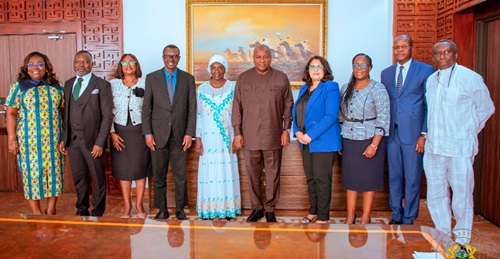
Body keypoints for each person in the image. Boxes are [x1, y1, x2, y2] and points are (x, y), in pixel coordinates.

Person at [424, 39, 494, 243]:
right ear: (434, 57)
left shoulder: (470, 78)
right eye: (437, 53)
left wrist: (468, 130)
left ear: (456, 54)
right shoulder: (431, 79)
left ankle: (462, 241)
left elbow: (486, 108)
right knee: (436, 196)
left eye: (446, 52)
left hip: (459, 148)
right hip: (434, 148)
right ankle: (442, 237)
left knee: (462, 197)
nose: (442, 57)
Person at [232, 44, 294, 222]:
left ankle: (270, 209)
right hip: (249, 135)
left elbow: (288, 104)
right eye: (258, 57)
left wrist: (286, 129)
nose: (262, 60)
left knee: (273, 174)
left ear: (271, 57)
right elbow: (237, 107)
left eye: (265, 57)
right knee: (253, 174)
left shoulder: (281, 78)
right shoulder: (243, 79)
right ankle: (257, 208)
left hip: (273, 135)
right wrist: (237, 133)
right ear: (253, 58)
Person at [380, 34, 435, 225]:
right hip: (391, 133)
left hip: (413, 133)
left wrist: (424, 134)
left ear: (412, 47)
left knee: (412, 177)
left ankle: (409, 216)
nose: (400, 50)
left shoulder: (426, 70)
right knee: (394, 176)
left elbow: (430, 105)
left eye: (404, 46)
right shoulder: (386, 73)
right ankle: (396, 214)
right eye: (396, 47)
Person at [5, 51, 64, 215]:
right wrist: (12, 140)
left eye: (40, 64)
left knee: (55, 175)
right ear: (26, 67)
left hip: (54, 141)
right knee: (32, 176)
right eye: (31, 64)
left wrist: (65, 138)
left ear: (46, 67)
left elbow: (64, 112)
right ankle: (36, 213)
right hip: (28, 142)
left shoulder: (56, 87)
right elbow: (10, 113)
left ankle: (51, 210)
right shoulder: (19, 87)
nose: (35, 68)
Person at [142, 44, 196, 220]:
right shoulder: (152, 78)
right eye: (168, 56)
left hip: (181, 136)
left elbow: (191, 109)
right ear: (163, 57)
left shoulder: (188, 79)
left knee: (180, 176)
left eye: (174, 56)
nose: (171, 59)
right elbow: (147, 108)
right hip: (157, 136)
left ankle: (180, 210)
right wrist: (147, 133)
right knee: (159, 176)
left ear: (179, 58)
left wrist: (189, 133)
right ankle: (162, 210)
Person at [59, 50, 113, 217]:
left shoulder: (102, 85)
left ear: (92, 64)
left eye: (85, 62)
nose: (81, 65)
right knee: (79, 178)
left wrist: (100, 143)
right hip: (73, 141)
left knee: (97, 178)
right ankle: (81, 209)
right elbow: (66, 114)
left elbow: (107, 116)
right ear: (74, 63)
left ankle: (97, 211)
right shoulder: (68, 84)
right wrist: (64, 138)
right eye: (77, 62)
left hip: (93, 141)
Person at [339, 53, 389, 225]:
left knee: (369, 180)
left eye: (363, 65)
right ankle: (350, 216)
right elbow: (340, 116)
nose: (359, 68)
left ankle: (365, 216)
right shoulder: (346, 88)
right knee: (351, 180)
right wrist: (340, 140)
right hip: (349, 138)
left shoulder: (378, 88)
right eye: (355, 65)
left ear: (370, 68)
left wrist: (374, 145)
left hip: (369, 139)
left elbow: (383, 118)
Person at [292, 56, 342, 224]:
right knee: (311, 179)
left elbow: (330, 116)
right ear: (307, 70)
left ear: (325, 70)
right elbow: (297, 113)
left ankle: (323, 216)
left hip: (323, 142)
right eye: (312, 67)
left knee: (322, 179)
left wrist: (310, 135)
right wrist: (297, 132)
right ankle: (312, 211)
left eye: (319, 67)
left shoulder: (331, 87)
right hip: (305, 141)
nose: (315, 70)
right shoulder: (303, 89)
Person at [194, 55, 241, 220]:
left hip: (227, 138)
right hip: (208, 138)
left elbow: (237, 114)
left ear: (225, 69)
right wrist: (198, 138)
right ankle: (209, 209)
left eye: (220, 67)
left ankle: (227, 209)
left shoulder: (233, 88)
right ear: (209, 69)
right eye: (213, 67)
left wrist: (236, 136)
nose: (217, 71)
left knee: (226, 170)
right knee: (210, 173)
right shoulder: (201, 89)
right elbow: (198, 116)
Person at [109, 53, 152, 219]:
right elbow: (107, 110)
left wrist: (149, 133)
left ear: (136, 65)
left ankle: (139, 203)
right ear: (120, 66)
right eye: (124, 63)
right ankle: (127, 205)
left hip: (140, 131)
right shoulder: (112, 84)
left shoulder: (145, 83)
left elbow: (150, 109)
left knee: (140, 168)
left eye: (131, 62)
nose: (128, 66)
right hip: (120, 131)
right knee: (124, 169)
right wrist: (112, 132)